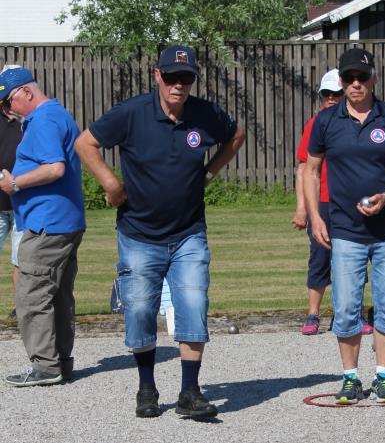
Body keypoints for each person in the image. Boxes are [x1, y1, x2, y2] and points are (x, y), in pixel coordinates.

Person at [74, 45, 244, 419]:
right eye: (171, 77)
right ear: (157, 76)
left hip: (188, 233)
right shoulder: (133, 113)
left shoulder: (204, 114)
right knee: (139, 309)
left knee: (194, 305)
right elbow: (85, 143)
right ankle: (146, 387)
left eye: (186, 78)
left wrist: (209, 172)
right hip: (138, 233)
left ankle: (190, 391)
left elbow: (235, 135)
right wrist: (110, 183)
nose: (178, 85)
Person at [304, 48, 385, 404]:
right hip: (344, 229)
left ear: (374, 78)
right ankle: (351, 378)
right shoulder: (326, 121)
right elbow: (309, 171)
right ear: (341, 82)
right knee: (345, 307)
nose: (356, 84)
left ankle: (383, 376)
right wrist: (314, 216)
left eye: (362, 77)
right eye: (349, 78)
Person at [0, 67, 86, 387]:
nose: (8, 110)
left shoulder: (45, 119)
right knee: (59, 295)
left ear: (26, 92)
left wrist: (15, 183)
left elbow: (54, 168)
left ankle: (45, 366)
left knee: (31, 295)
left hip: (47, 225)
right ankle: (61, 361)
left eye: (8, 102)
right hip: (63, 221)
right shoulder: (54, 115)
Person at [293, 69, 373, 336]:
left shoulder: (359, 123)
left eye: (335, 94)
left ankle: (354, 314)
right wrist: (302, 208)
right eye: (325, 94)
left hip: (350, 202)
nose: (330, 99)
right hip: (323, 202)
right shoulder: (316, 123)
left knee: (354, 260)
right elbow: (304, 169)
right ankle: (313, 314)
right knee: (319, 258)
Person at [0, 92, 23, 318]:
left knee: (21, 259)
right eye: (4, 102)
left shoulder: (29, 124)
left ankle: (21, 308)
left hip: (22, 204)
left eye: (10, 101)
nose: (8, 106)